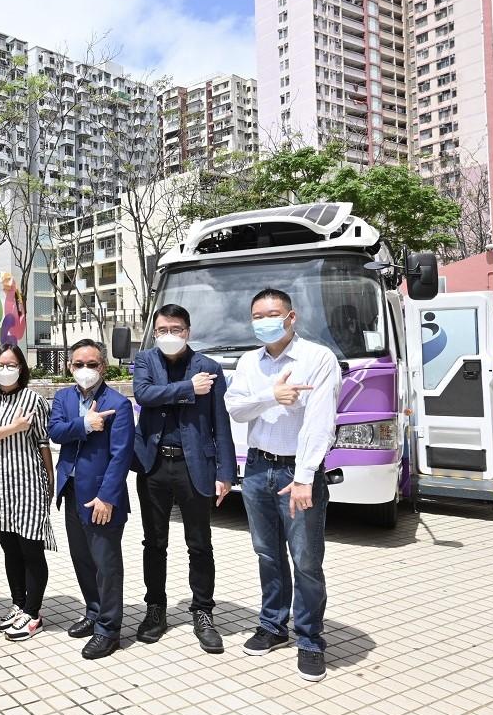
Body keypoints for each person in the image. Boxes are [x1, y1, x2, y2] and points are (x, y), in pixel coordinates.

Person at [225, 288, 340, 682]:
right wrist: (271, 396)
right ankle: (273, 624)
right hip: (258, 468)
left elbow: (320, 422)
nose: (264, 322)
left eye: (272, 314)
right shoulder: (248, 362)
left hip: (297, 472)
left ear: (291, 317)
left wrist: (306, 476)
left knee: (306, 559)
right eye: (257, 316)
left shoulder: (318, 359)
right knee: (267, 553)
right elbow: (235, 408)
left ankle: (310, 638)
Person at [132, 304, 236, 653]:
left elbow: (220, 423)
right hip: (154, 465)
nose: (169, 335)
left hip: (195, 467)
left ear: (187, 331)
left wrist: (225, 472)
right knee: (153, 542)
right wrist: (188, 388)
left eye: (175, 329)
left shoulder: (209, 368)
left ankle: (203, 611)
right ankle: (155, 609)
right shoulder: (146, 361)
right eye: (162, 330)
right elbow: (144, 395)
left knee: (200, 543)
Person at [49, 339, 135, 660]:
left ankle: (109, 629)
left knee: (106, 564)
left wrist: (107, 497)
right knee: (82, 558)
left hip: (101, 498)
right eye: (78, 364)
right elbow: (56, 431)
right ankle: (94, 611)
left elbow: (121, 456)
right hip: (71, 491)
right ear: (69, 366)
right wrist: (85, 424)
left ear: (103, 366)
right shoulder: (63, 398)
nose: (85, 369)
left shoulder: (119, 404)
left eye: (92, 364)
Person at [0, 344, 54, 642]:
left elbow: (43, 441)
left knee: (31, 549)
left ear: (22, 368)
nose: (5, 370)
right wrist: (14, 427)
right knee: (10, 549)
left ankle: (33, 613)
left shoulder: (34, 400)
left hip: (28, 483)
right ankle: (18, 604)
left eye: (11, 365)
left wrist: (50, 479)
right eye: (0, 365)